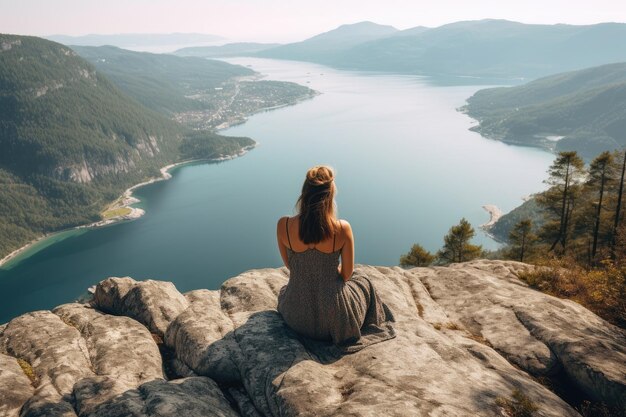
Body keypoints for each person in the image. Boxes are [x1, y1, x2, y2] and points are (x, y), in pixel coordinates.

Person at [276, 165, 395, 352]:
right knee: (363, 282)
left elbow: (291, 266)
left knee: (285, 289)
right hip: (336, 322)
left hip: (296, 316)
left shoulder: (283, 225)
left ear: (304, 193)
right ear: (330, 195)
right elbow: (346, 274)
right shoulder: (342, 229)